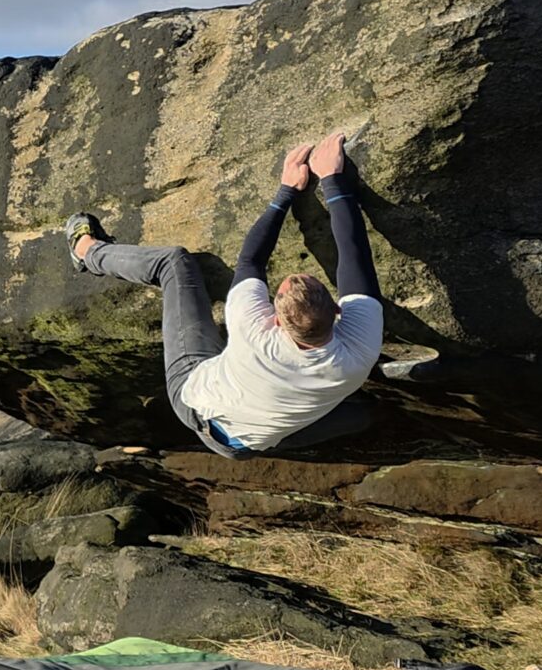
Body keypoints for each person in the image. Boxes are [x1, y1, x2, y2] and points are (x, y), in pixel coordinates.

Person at [64, 131, 383, 458]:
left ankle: (87, 253)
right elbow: (354, 254)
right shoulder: (360, 350)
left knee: (173, 262)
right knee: (364, 413)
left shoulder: (252, 332)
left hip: (198, 409)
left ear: (274, 320)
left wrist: (286, 190)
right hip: (247, 443)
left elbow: (251, 260)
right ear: (338, 310)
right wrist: (332, 180)